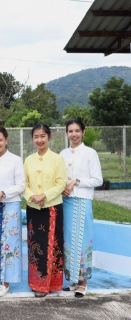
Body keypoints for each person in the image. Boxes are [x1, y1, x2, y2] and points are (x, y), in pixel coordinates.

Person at [23, 123, 67, 298]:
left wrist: (44, 196)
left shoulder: (57, 159)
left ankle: (52, 284)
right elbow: (23, 184)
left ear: (49, 137)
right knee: (36, 247)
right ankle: (37, 283)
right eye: (36, 136)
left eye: (42, 136)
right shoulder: (28, 160)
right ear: (32, 138)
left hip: (52, 208)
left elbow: (61, 183)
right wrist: (32, 196)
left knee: (52, 245)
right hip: (34, 209)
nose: (39, 140)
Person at [60, 119, 103, 298]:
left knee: (83, 239)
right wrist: (63, 186)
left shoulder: (90, 153)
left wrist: (76, 182)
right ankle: (72, 280)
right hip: (67, 202)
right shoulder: (62, 153)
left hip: (83, 201)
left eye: (77, 131)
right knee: (69, 240)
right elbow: (60, 177)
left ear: (83, 132)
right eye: (70, 131)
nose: (74, 134)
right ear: (67, 133)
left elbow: (97, 180)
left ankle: (83, 282)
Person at [0, 126, 26, 297]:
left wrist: (3, 193)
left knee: (9, 243)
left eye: (0, 140)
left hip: (10, 206)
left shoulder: (15, 160)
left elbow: (21, 185)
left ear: (6, 140)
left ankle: (6, 282)